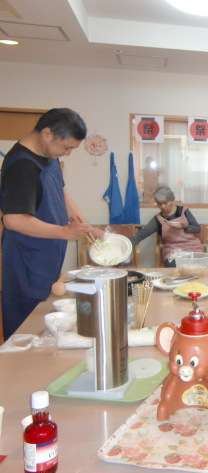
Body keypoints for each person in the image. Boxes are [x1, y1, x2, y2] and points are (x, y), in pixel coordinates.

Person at [0, 108, 101, 340]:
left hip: (46, 256)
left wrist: (86, 226)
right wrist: (64, 232)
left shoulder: (49, 156)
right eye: (67, 147)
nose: (68, 154)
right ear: (47, 134)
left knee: (46, 324)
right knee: (26, 328)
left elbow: (61, 193)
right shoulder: (21, 165)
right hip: (26, 260)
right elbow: (13, 220)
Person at [131, 186, 203, 267]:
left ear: (172, 200)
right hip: (172, 250)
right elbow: (143, 233)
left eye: (165, 203)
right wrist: (127, 244)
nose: (162, 206)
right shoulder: (158, 219)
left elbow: (197, 228)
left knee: (197, 264)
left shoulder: (184, 211)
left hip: (192, 247)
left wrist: (185, 227)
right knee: (174, 265)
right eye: (159, 204)